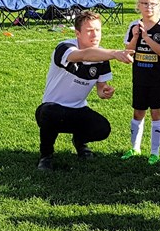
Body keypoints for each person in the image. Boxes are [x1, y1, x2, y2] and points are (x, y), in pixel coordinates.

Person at [35, 11, 134, 171]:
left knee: (103, 128)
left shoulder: (102, 56)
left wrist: (105, 91)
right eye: (89, 31)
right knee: (50, 113)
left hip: (78, 109)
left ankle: (80, 142)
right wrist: (115, 53)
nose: (95, 35)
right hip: (52, 108)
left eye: (98, 30)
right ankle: (46, 156)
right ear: (77, 33)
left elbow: (101, 88)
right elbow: (84, 55)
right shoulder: (64, 48)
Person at [121, 0, 160, 165]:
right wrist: (136, 36)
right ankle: (135, 147)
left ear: (159, 6)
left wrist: (147, 37)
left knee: (156, 113)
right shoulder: (134, 25)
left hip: (157, 78)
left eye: (152, 4)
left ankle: (154, 152)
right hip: (140, 76)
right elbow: (128, 51)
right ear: (138, 5)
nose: (148, 7)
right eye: (144, 3)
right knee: (138, 112)